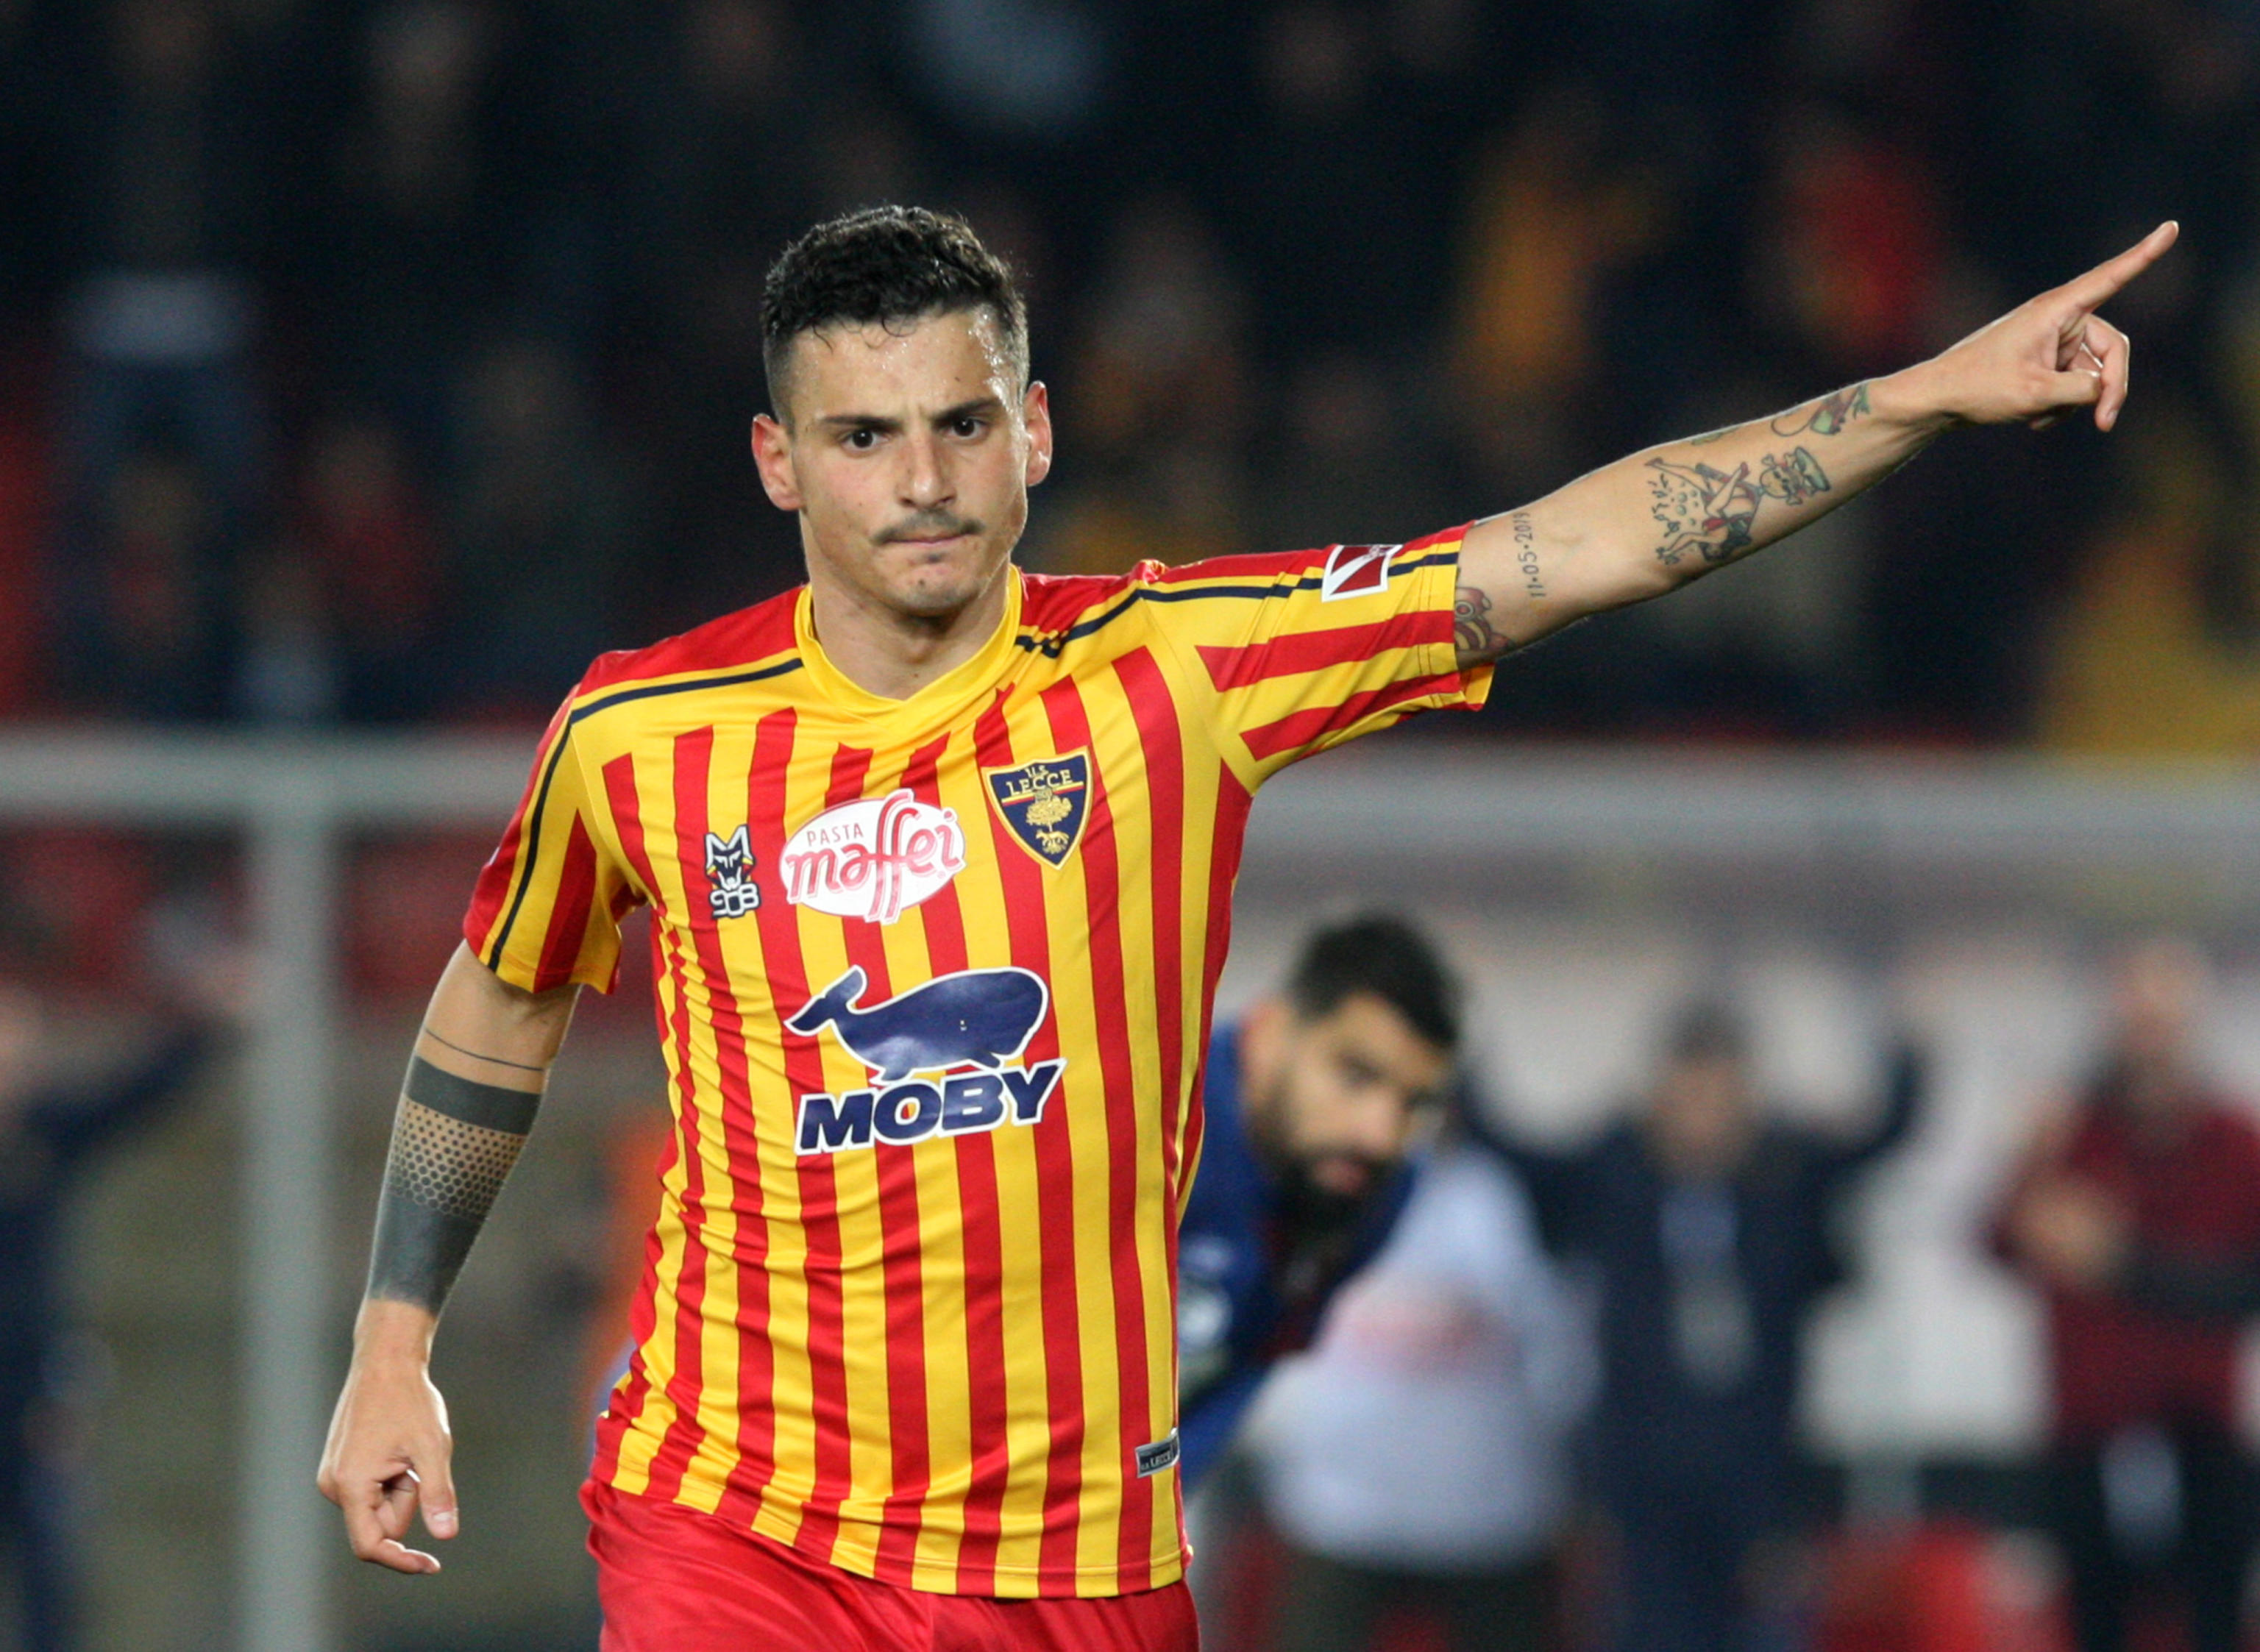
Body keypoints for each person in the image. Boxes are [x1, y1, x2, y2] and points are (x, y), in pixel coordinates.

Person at [316, 203, 2172, 1650]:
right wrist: (394, 1337)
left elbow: (1563, 549)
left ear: (1032, 426)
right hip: (734, 1518)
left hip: (1074, 1555)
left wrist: (1921, 394)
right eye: (863, 434)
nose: (923, 478)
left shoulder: (1172, 666)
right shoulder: (642, 733)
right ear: (776, 461)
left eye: (963, 422)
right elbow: (499, 1006)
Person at [1483, 1003, 1925, 1652]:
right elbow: (1513, 1153)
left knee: (1766, 1627)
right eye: (1688, 1097)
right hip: (1642, 1467)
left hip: (1761, 1468)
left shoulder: (1785, 1174)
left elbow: (1883, 1136)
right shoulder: (1614, 1173)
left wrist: (1902, 1040)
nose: (1704, 1119)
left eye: (1721, 1099)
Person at [1998, 938, 2260, 1652]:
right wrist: (2023, 1160)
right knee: (2092, 1617)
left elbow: (2243, 1286)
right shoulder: (2073, 1135)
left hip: (2200, 1432)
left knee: (2210, 1613)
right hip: (2087, 1432)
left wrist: (2124, 1264)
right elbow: (1996, 1243)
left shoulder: (2234, 1141)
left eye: (2164, 1017)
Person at [1248, 1114, 1591, 1652]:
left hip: (1484, 1519)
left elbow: (1554, 1349)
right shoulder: (1324, 1197)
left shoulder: (1490, 1200)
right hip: (1343, 1511)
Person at [1174, 914, 1459, 1487]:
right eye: (1356, 1075)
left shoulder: (1372, 1191)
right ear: (1272, 1030)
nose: (1381, 1134)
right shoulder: (1148, 1123)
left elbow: (1246, 1359)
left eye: (1414, 1104)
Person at [0, 983, 218, 1652]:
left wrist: (205, 1031)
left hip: (30, 1391)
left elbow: (133, 1098)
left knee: (50, 1577)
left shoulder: (46, 1134)